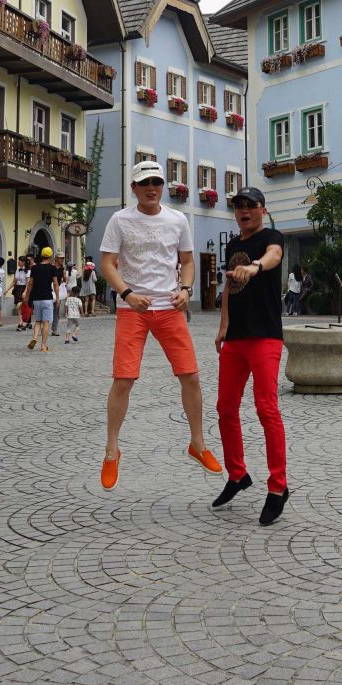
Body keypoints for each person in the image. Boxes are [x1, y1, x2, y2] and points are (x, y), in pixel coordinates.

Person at [98, 159, 220, 489]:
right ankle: (112, 450)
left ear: (163, 186)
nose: (151, 188)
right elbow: (107, 263)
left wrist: (186, 290)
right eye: (144, 183)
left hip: (169, 307)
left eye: (156, 182)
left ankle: (198, 444)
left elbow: (188, 261)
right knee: (123, 379)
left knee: (190, 375)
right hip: (132, 310)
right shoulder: (120, 219)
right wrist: (127, 293)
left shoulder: (177, 219)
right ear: (133, 188)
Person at [213, 186, 291, 525]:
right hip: (236, 338)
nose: (244, 211)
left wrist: (256, 266)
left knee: (266, 409)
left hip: (265, 337)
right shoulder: (233, 245)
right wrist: (223, 325)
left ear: (263, 209)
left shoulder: (272, 237)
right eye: (239, 206)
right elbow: (230, 286)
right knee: (225, 408)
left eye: (250, 205)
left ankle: (278, 487)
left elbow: (273, 256)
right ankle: (237, 474)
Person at [24, 247, 61, 353]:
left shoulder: (34, 268)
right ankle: (43, 346)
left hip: (36, 299)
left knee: (38, 321)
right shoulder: (52, 268)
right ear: (50, 256)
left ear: (41, 255)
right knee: (46, 322)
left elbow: (30, 284)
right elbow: (55, 284)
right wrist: (58, 298)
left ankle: (35, 337)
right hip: (47, 298)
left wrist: (27, 297)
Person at [13, 256, 30, 330]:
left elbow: (28, 283)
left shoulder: (28, 271)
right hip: (18, 288)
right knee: (18, 306)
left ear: (23, 262)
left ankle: (24, 322)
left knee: (23, 306)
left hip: (24, 288)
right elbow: (14, 281)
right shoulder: (17, 270)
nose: (18, 262)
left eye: (19, 261)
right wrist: (7, 289)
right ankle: (20, 321)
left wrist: (25, 292)